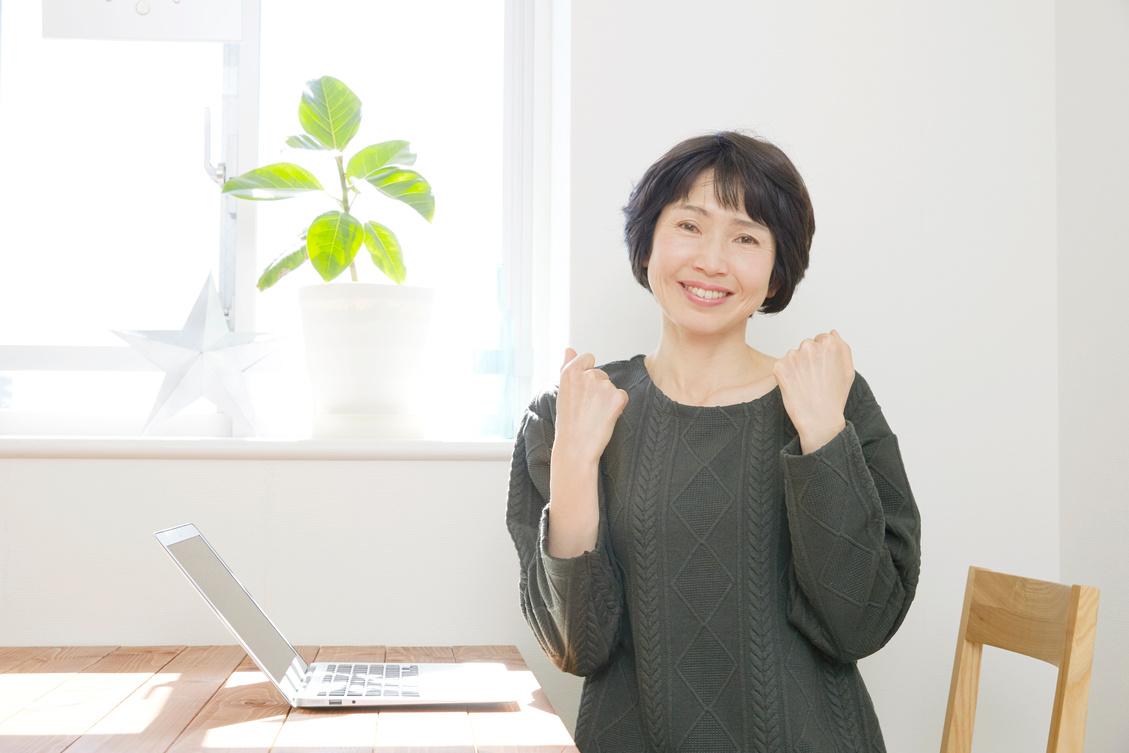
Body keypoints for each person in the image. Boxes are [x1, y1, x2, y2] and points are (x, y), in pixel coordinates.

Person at [506, 131, 921, 753]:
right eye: (689, 226)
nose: (712, 261)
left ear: (778, 271)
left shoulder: (831, 396)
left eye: (747, 237)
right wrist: (574, 462)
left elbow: (861, 624)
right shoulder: (571, 412)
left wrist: (822, 435)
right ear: (647, 243)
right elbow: (577, 647)